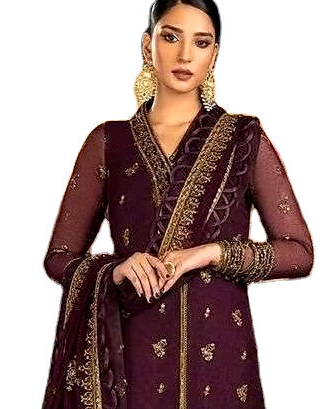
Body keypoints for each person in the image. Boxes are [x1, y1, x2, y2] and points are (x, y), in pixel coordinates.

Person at [40, 1, 314, 408]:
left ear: (214, 54)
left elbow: (299, 252)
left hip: (221, 361)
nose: (185, 55)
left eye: (201, 43)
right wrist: (117, 269)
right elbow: (59, 257)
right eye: (171, 37)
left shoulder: (243, 140)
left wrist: (212, 253)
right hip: (132, 364)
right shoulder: (108, 142)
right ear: (146, 46)